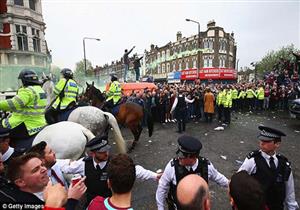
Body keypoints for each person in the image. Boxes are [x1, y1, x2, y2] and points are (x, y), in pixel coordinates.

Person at [61, 135, 161, 206]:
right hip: (92, 202)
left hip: (111, 203)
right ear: (92, 154)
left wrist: (155, 176)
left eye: (107, 150)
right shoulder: (83, 164)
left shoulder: (114, 162)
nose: (106, 154)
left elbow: (136, 170)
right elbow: (67, 168)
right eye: (102, 152)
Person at [156, 135, 229, 210]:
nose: (178, 158)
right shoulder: (172, 167)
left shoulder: (205, 166)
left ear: (193, 157)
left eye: (182, 157)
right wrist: (160, 207)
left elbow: (217, 177)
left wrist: (232, 186)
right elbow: (162, 188)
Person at [238, 126, 299, 210]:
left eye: (266, 141)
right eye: (261, 140)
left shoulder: (284, 164)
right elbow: (238, 180)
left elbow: (289, 190)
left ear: (277, 144)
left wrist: (291, 207)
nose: (262, 143)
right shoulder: (253, 160)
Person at [2, 152, 85, 209]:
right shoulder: (21, 204)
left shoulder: (47, 186)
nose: (44, 169)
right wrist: (72, 200)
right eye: (35, 169)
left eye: (42, 165)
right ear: (21, 182)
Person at [0, 69, 47, 149]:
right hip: (40, 123)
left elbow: (14, 104)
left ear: (25, 81)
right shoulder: (40, 90)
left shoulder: (27, 91)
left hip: (25, 123)